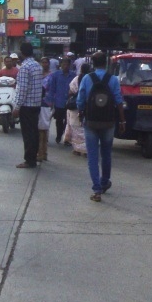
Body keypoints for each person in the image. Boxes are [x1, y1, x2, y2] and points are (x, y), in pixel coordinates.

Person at [76, 51, 124, 202]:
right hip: (109, 121)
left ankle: (96, 190)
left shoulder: (87, 78)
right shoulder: (113, 79)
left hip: (91, 121)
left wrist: (81, 113)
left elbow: (80, 100)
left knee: (92, 155)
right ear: (106, 63)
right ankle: (105, 182)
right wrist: (122, 121)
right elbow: (118, 101)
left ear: (93, 64)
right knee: (106, 153)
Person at [12, 42, 43, 168]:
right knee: (34, 132)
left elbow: (22, 89)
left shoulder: (25, 67)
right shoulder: (37, 65)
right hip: (36, 104)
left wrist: (17, 106)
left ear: (22, 52)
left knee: (28, 134)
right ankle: (33, 157)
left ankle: (29, 160)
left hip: (27, 105)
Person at [63, 61, 92, 156]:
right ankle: (86, 150)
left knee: (75, 128)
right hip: (87, 107)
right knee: (84, 129)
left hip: (75, 107)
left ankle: (77, 149)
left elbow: (70, 91)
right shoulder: (91, 79)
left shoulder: (76, 79)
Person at [45, 55, 72, 144]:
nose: (65, 66)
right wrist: (50, 101)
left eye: (67, 64)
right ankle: (59, 135)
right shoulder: (55, 75)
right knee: (59, 120)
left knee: (68, 121)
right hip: (58, 102)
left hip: (69, 102)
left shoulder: (73, 75)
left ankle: (66, 137)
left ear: (69, 65)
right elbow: (52, 89)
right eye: (64, 64)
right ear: (60, 65)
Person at [0, 53, 19, 117]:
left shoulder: (17, 71)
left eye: (10, 61)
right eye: (7, 62)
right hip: (2, 90)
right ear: (4, 62)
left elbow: (20, 79)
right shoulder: (1, 71)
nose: (9, 63)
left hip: (14, 89)